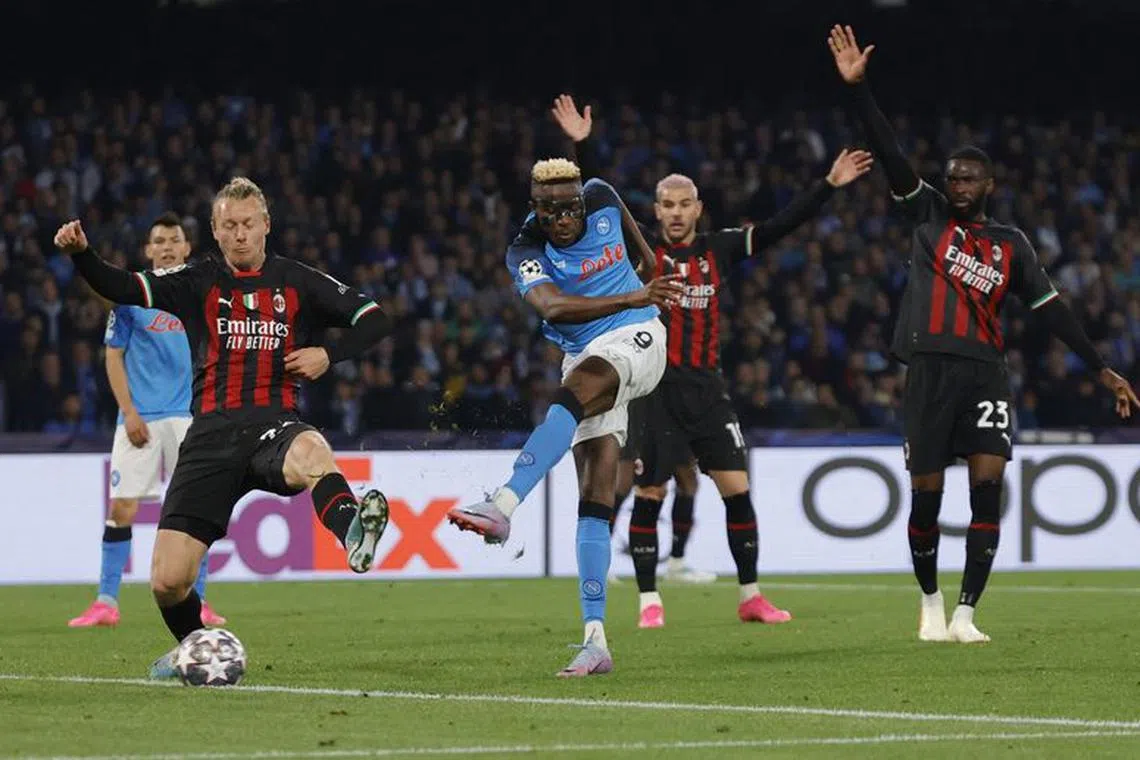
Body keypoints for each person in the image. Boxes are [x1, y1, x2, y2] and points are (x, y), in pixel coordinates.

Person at [828, 24, 1138, 642]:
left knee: (987, 490)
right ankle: (931, 604)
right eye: (953, 177)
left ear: (988, 185)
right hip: (930, 370)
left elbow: (1052, 309)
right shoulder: (926, 213)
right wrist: (859, 92)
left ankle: (968, 614)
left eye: (970, 178)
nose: (959, 186)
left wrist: (1099, 365)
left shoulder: (1012, 245)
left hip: (985, 373)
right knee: (925, 498)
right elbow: (890, 153)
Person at [552, 94, 872, 628]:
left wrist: (829, 186)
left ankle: (751, 596)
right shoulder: (640, 254)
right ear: (656, 212)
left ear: (698, 209)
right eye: (667, 205)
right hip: (655, 392)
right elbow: (593, 208)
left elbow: (778, 227)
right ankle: (649, 603)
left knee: (737, 493)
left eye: (685, 204)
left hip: (709, 392)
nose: (676, 213)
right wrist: (579, 148)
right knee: (651, 493)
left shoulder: (719, 249)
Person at [54, 177, 392, 676]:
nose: (239, 235)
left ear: (266, 225)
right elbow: (122, 286)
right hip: (209, 436)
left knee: (314, 450)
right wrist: (83, 255)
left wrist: (329, 352)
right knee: (168, 582)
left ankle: (351, 534)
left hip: (273, 426)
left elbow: (374, 318)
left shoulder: (297, 280)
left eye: (248, 225)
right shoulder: (197, 281)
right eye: (229, 226)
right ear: (214, 230)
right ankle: (198, 651)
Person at [447, 158, 683, 676]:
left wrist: (645, 294)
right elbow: (551, 308)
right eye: (550, 211)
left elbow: (644, 259)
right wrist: (634, 290)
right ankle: (595, 641)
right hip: (584, 350)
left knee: (572, 396)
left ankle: (504, 503)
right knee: (595, 500)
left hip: (638, 335)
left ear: (582, 199)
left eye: (570, 207)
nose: (563, 218)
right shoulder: (524, 250)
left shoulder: (602, 193)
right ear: (535, 209)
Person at [68, 213, 226, 629]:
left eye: (175, 239)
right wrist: (130, 411)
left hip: (189, 419)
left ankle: (202, 602)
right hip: (140, 419)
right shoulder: (133, 297)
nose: (168, 246)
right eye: (160, 240)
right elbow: (113, 356)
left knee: (193, 512)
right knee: (122, 507)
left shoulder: (198, 295)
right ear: (149, 250)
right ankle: (106, 602)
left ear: (187, 248)